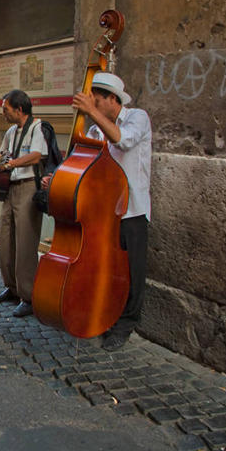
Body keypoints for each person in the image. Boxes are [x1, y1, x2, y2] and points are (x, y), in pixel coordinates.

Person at [71, 72, 152, 351]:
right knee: (104, 269)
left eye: (95, 100)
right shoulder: (95, 130)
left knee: (132, 272)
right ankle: (103, 314)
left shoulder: (137, 118)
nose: (91, 105)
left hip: (132, 210)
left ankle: (126, 323)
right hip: (102, 212)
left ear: (112, 100)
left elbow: (122, 140)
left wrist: (91, 112)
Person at [0, 90, 47, 318]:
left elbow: (37, 155)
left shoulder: (38, 128)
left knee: (25, 243)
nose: (3, 113)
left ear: (19, 110)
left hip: (28, 187)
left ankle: (28, 296)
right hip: (10, 187)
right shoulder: (11, 132)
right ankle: (11, 287)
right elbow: (1, 154)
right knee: (6, 239)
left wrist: (11, 164)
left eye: (6, 109)